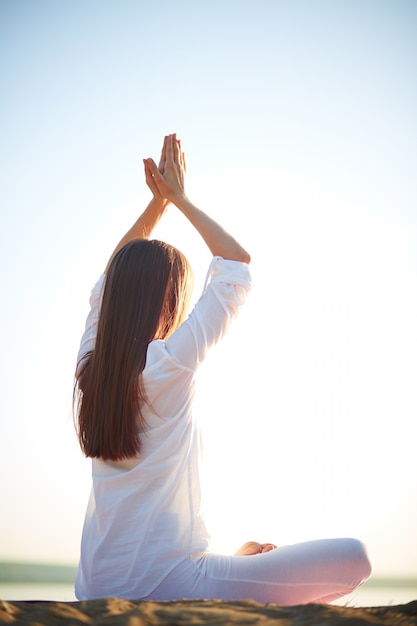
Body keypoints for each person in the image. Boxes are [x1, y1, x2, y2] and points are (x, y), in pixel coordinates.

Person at [73, 134, 371, 604]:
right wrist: (178, 199)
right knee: (356, 558)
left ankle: (233, 567)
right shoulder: (166, 365)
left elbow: (109, 281)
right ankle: (233, 570)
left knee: (240, 563)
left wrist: (156, 206)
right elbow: (236, 263)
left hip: (92, 588)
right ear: (166, 301)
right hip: (170, 582)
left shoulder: (91, 370)